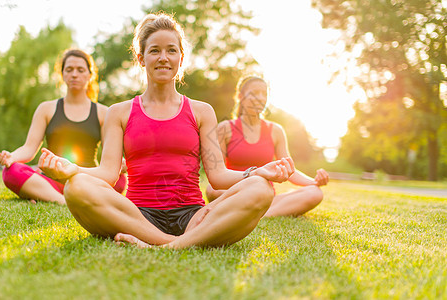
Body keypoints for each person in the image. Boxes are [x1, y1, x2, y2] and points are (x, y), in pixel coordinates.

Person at [38, 13, 295, 249]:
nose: (163, 57)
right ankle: (173, 243)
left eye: (171, 50)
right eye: (155, 51)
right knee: (76, 187)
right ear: (141, 58)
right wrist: (71, 170)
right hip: (137, 216)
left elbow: (217, 176)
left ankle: (167, 246)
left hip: (193, 216)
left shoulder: (201, 111)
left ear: (181, 58)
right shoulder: (120, 112)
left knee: (261, 188)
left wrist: (256, 172)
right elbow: (107, 174)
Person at [0, 49, 127, 205]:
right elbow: (29, 148)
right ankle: (62, 200)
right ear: (62, 74)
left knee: (119, 179)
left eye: (80, 70)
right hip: (50, 178)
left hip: (86, 179)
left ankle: (42, 194)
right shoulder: (46, 109)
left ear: (90, 75)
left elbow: (109, 157)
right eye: (69, 70)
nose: (74, 74)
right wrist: (11, 157)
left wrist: (121, 163)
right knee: (12, 171)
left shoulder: (104, 112)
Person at [206, 76, 329, 217]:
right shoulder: (225, 128)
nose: (260, 98)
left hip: (264, 195)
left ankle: (260, 213)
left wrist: (313, 182)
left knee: (314, 193)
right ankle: (254, 210)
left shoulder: (276, 130)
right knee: (212, 190)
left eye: (264, 94)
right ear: (240, 96)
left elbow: (289, 169)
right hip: (234, 192)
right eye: (255, 93)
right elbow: (218, 172)